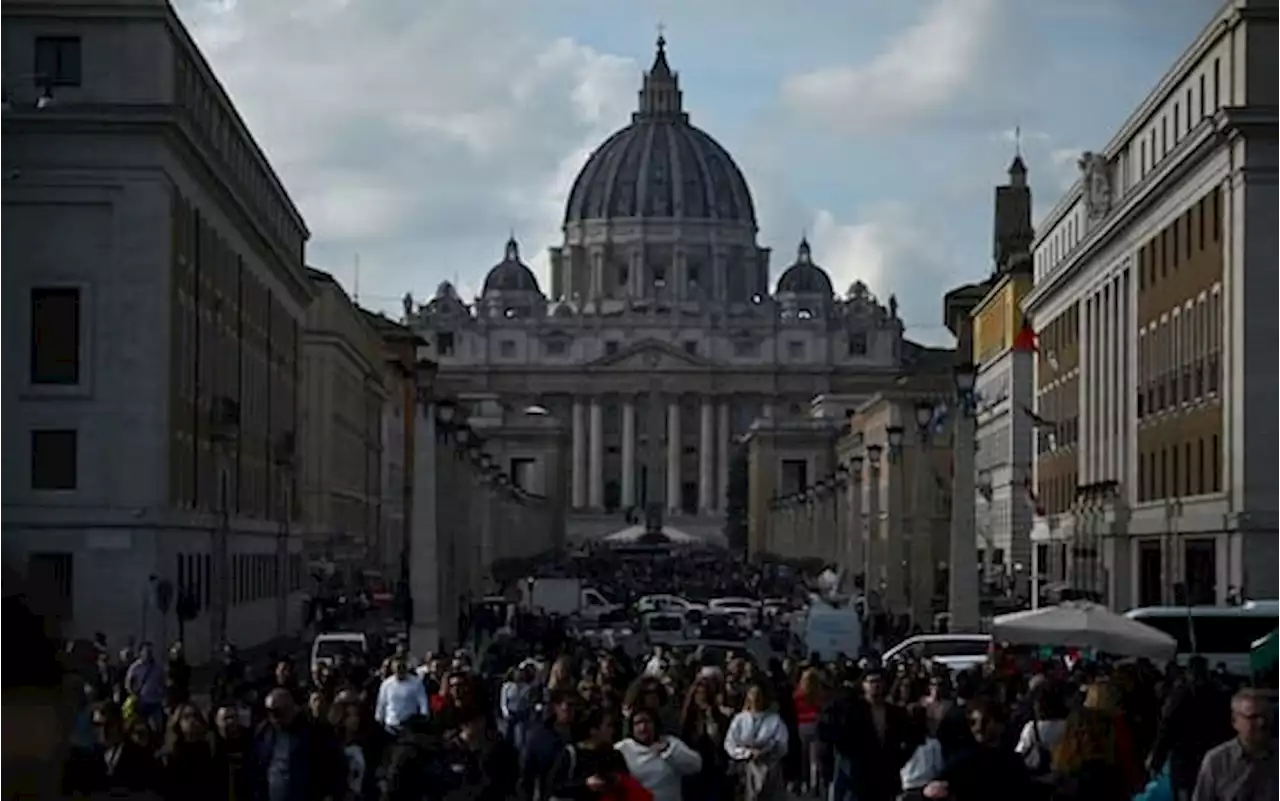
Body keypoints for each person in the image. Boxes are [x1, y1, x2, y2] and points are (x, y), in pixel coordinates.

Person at [1191, 687, 1280, 801]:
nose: (1261, 723)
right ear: (1235, 721)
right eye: (1253, 717)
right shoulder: (1217, 761)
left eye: (1266, 716)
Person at [615, 708, 703, 801]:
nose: (643, 727)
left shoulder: (670, 742)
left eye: (647, 722)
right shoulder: (623, 748)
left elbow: (696, 765)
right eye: (637, 723)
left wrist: (668, 750)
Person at [723, 680, 789, 801]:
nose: (756, 698)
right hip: (743, 767)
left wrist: (767, 751)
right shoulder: (740, 719)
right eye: (753, 694)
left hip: (768, 769)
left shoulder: (774, 719)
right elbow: (730, 743)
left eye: (759, 695)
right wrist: (746, 753)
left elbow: (782, 744)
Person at [374, 658, 430, 735]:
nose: (400, 671)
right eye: (397, 669)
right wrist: (379, 717)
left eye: (402, 668)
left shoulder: (416, 682)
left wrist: (424, 714)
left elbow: (422, 700)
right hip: (391, 723)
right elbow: (381, 702)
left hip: (409, 724)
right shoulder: (386, 684)